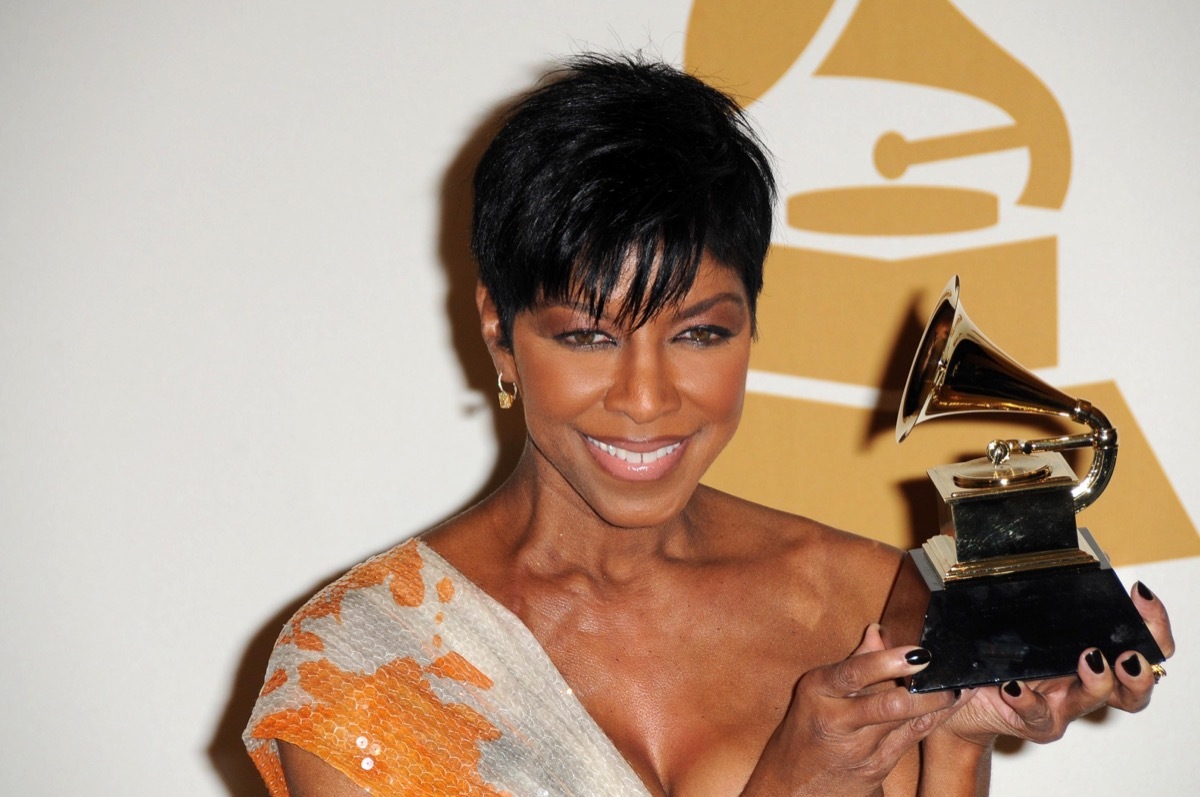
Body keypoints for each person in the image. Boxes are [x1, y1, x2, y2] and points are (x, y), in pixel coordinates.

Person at [243, 54, 1173, 797]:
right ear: (499, 329)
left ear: (752, 324)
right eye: (588, 336)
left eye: (699, 333)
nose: (648, 397)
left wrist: (960, 746)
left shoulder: (867, 597)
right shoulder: (365, 664)